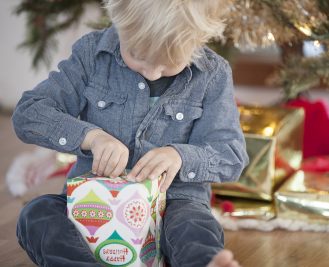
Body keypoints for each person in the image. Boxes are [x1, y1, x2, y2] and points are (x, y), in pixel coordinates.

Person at [12, 0, 249, 266]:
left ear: (198, 40)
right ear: (118, 20)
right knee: (37, 214)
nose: (151, 72)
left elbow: (231, 154)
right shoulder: (92, 55)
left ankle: (205, 262)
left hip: (175, 203)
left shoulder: (213, 75)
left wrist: (179, 156)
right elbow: (28, 114)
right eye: (137, 55)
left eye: (169, 63)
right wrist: (91, 137)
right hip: (92, 205)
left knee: (193, 229)